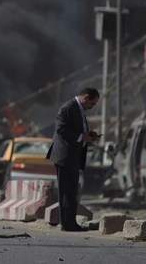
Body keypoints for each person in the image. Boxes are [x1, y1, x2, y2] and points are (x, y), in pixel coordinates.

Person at [46, 87, 102, 232]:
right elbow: (61, 129)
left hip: (73, 156)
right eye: (92, 103)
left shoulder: (79, 110)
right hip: (65, 156)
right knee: (66, 191)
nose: (92, 107)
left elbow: (78, 131)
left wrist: (89, 136)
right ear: (85, 97)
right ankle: (67, 224)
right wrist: (82, 137)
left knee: (72, 191)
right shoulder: (68, 108)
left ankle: (71, 223)